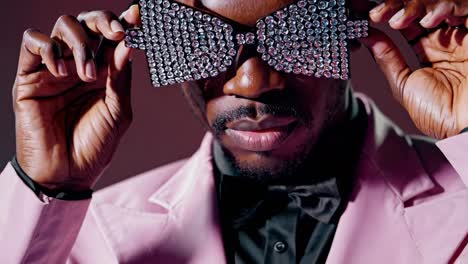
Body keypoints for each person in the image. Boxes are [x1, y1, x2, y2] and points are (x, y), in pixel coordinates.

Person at [0, 0, 467, 263]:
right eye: (201, 41)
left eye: (299, 35)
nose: (252, 83)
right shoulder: (77, 243)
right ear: (154, 38)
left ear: (357, 26)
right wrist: (45, 191)